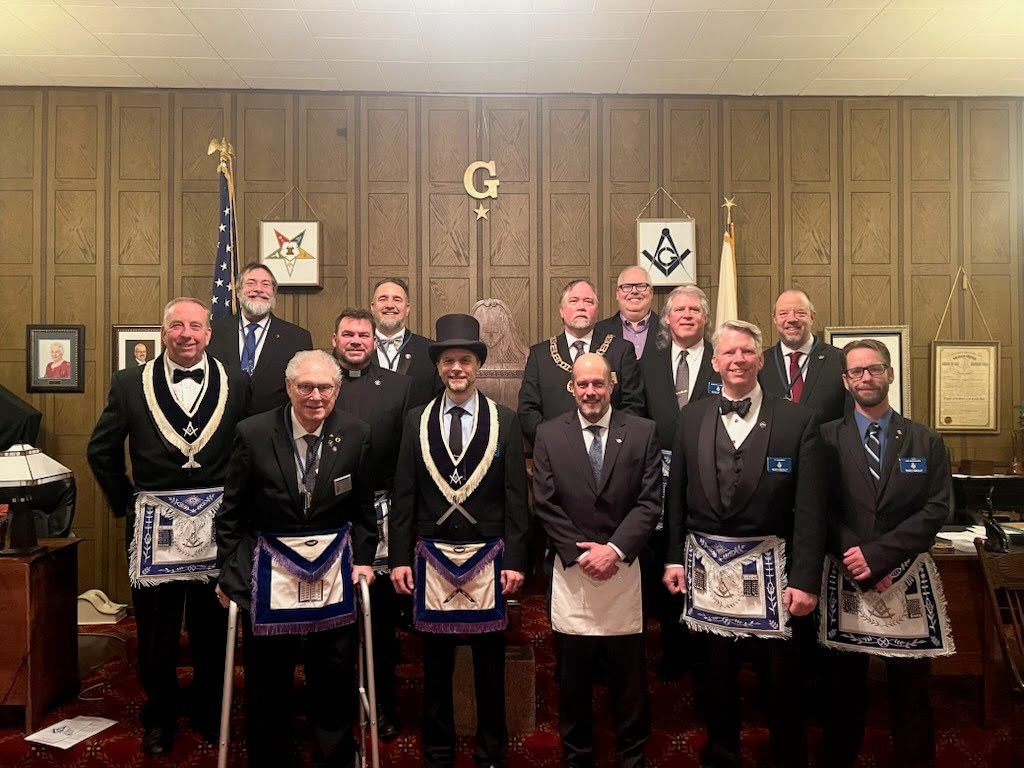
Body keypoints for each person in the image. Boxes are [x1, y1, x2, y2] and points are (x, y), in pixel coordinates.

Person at [87, 297, 248, 755]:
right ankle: (159, 715)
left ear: (208, 334)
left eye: (195, 326)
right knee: (156, 631)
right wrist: (129, 504)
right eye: (177, 325)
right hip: (153, 526)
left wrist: (239, 507)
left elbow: (247, 449)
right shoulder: (128, 382)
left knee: (211, 627)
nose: (186, 334)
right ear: (163, 332)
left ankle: (207, 710)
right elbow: (101, 450)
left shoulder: (237, 381)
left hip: (218, 526)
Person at [662, 320, 825, 768]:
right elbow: (675, 496)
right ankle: (722, 755)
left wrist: (806, 578)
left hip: (776, 575)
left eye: (747, 352)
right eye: (729, 353)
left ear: (760, 359)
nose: (738, 360)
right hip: (707, 571)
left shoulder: (797, 420)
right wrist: (672, 557)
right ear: (715, 362)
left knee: (781, 683)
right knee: (715, 679)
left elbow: (812, 508)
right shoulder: (691, 416)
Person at [215, 349, 375, 768]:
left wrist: (364, 559)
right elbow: (230, 515)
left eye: (324, 387)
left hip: (333, 572)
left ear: (337, 390)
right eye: (306, 386)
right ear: (289, 388)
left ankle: (333, 755)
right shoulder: (252, 433)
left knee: (334, 671)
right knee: (269, 674)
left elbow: (363, 512)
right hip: (268, 573)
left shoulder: (356, 433)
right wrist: (231, 575)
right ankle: (271, 757)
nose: (315, 396)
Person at [390, 313, 529, 768]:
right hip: (431, 558)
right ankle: (438, 750)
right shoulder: (416, 420)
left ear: (478, 366)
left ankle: (490, 750)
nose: (457, 368)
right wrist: (398, 558)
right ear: (438, 366)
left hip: (489, 558)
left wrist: (517, 560)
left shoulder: (505, 420)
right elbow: (404, 494)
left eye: (465, 360)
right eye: (449, 360)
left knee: (489, 663)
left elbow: (516, 497)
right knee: (436, 664)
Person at [819, 339, 953, 768]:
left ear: (890, 374)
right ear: (845, 381)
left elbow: (937, 507)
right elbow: (817, 507)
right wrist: (855, 556)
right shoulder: (825, 438)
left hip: (906, 574)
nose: (866, 377)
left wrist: (879, 557)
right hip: (846, 574)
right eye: (856, 371)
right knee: (842, 692)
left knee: (912, 693)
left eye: (874, 369)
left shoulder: (925, 439)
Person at [532, 353, 661, 768]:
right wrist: (582, 553)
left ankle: (632, 754)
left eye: (598, 384)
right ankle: (577, 754)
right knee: (573, 675)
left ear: (612, 385)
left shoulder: (642, 431)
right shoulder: (549, 434)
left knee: (629, 675)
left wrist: (615, 550)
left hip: (624, 566)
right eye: (583, 384)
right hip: (573, 569)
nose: (591, 392)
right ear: (571, 388)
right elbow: (545, 502)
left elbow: (649, 501)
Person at [331, 307, 412, 742]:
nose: (356, 341)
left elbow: (408, 455)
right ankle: (336, 708)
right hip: (329, 516)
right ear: (335, 340)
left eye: (363, 335)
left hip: (381, 513)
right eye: (348, 334)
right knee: (333, 620)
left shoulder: (399, 386)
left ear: (374, 341)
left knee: (378, 620)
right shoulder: (320, 381)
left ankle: (383, 705)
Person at [638, 284, 721, 680]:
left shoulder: (721, 359)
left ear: (705, 318)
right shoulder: (647, 362)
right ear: (667, 319)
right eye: (679, 310)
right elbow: (636, 413)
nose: (687, 315)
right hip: (659, 472)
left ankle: (708, 652)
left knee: (706, 557)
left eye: (695, 310)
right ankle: (672, 649)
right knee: (667, 557)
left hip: (711, 474)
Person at [518, 279, 644, 445]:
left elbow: (633, 405)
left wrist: (609, 445)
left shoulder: (620, 350)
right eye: (573, 301)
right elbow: (527, 411)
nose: (581, 307)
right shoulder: (540, 354)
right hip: (556, 451)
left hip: (611, 449)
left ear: (596, 311)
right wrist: (554, 443)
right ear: (561, 311)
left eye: (588, 301)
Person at [208, 262, 313, 415]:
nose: (258, 289)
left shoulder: (297, 338)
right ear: (238, 291)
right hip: (221, 423)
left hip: (272, 426)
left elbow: (302, 389)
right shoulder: (212, 332)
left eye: (265, 284)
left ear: (273, 292)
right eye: (251, 283)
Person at [759, 288, 847, 423]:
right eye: (783, 313)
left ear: (812, 317)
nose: (791, 319)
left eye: (800, 313)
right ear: (775, 319)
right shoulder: (760, 364)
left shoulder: (839, 360)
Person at [370, 277, 442, 408]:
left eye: (397, 299)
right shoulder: (354, 349)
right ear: (372, 308)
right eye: (383, 299)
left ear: (407, 308)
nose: (390, 305)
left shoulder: (430, 351)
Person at [593, 266, 658, 361]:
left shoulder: (669, 329)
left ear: (651, 293)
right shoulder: (598, 331)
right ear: (617, 294)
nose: (634, 291)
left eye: (641, 286)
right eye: (627, 287)